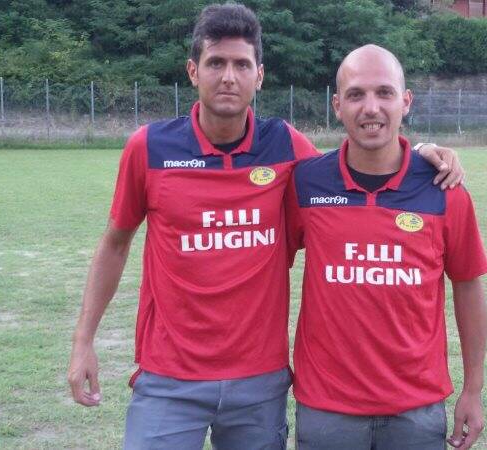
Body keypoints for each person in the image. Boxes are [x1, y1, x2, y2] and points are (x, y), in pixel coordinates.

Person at [66, 4, 464, 449]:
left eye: (242, 64)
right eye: (216, 63)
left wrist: (422, 154)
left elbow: (355, 166)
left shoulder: (287, 146)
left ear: (260, 75)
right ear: (193, 71)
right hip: (169, 378)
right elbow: (115, 243)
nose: (229, 76)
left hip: (258, 382)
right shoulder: (149, 148)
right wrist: (83, 341)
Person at [287, 44, 487, 450]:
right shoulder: (305, 183)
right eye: (356, 94)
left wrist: (473, 389)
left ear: (406, 101)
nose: (371, 107)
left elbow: (467, 287)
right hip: (327, 410)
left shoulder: (444, 189)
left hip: (415, 411)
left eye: (385, 92)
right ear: (337, 105)